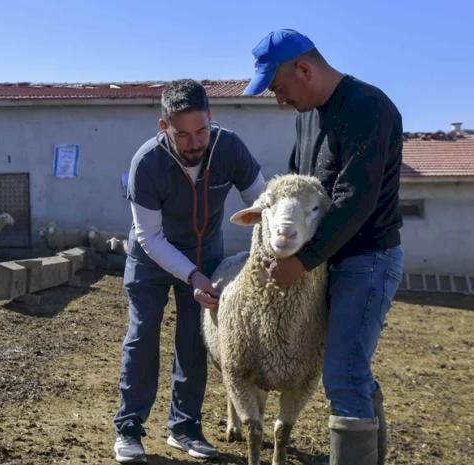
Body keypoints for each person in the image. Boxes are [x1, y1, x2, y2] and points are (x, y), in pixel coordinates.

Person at [242, 29, 405, 465]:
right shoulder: (308, 115)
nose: (279, 99)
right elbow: (297, 184)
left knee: (343, 374)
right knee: (351, 371)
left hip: (365, 260)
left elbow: (356, 198)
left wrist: (305, 261)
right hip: (328, 261)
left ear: (304, 69)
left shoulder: (368, 108)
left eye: (278, 87)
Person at [113, 79, 267, 463]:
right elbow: (150, 236)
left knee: (194, 340)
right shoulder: (146, 163)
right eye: (184, 135)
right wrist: (192, 276)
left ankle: (184, 428)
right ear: (164, 127)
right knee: (143, 334)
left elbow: (263, 204)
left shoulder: (229, 147)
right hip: (151, 256)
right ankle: (129, 428)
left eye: (202, 130)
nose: (196, 142)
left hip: (206, 253)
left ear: (211, 120)